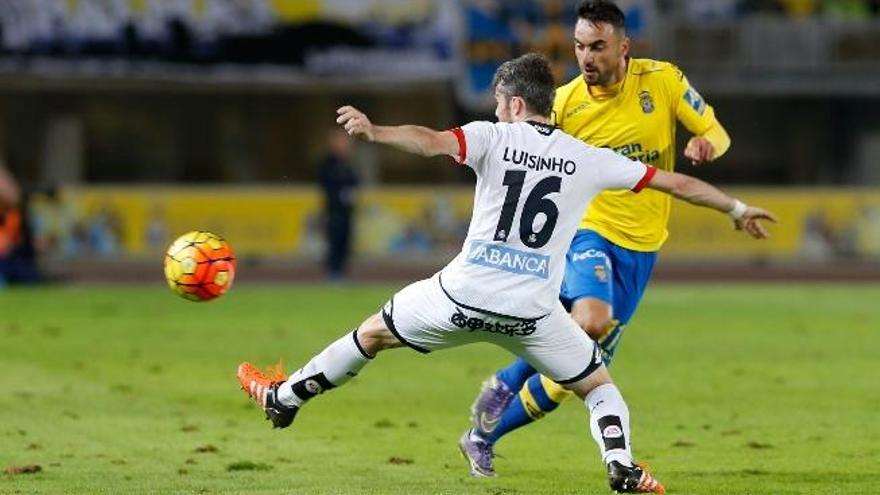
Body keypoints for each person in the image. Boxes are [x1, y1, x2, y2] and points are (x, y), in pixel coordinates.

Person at [236, 53, 775, 494]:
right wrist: (735, 209)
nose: (495, 113)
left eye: (498, 104)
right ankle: (622, 467)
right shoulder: (587, 158)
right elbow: (675, 184)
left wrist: (375, 132)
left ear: (516, 104)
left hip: (461, 297)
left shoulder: (491, 138)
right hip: (533, 314)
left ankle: (285, 400)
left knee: (371, 333)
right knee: (599, 389)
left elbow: (427, 141)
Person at [463, 0, 737, 473]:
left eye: (597, 46)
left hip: (643, 247)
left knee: (577, 372)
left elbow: (716, 130)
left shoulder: (664, 82)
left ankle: (482, 435)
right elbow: (526, 152)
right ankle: (506, 382)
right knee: (589, 322)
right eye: (579, 46)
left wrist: (705, 142)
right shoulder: (566, 102)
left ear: (623, 47)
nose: (586, 57)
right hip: (589, 233)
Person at [317, 128, 360, 280]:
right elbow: (326, 184)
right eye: (342, 140)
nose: (346, 144)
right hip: (334, 210)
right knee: (334, 239)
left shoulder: (349, 163)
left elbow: (355, 182)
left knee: (345, 241)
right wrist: (341, 195)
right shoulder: (328, 163)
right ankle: (333, 272)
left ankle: (340, 271)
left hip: (347, 211)